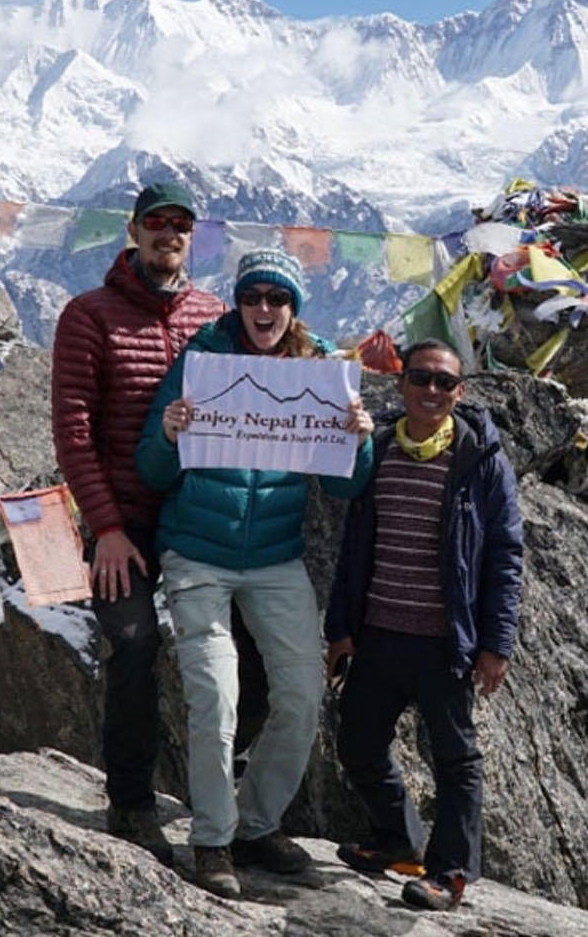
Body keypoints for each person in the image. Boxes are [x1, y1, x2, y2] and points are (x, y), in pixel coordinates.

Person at [137, 248, 375, 899]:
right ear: (237, 302)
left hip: (275, 556)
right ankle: (213, 838)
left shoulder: (319, 368)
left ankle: (257, 823)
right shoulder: (201, 360)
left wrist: (359, 437)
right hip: (196, 554)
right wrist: (167, 430)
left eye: (278, 298)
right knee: (217, 697)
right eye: (253, 297)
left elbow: (347, 483)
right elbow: (155, 471)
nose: (264, 309)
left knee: (303, 692)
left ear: (294, 307)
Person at [50, 181, 223, 865]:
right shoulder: (88, 315)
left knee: (242, 650)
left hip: (195, 519)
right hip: (121, 523)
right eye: (156, 223)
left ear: (192, 236)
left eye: (180, 225)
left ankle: (232, 808)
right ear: (133, 230)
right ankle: (131, 801)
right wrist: (107, 528)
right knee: (133, 643)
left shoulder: (214, 316)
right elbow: (73, 431)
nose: (168, 235)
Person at [325, 340, 525, 912]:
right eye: (421, 378)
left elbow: (506, 556)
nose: (431, 391)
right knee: (358, 743)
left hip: (444, 642)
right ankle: (399, 840)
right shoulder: (379, 446)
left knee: (455, 760)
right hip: (379, 632)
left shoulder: (480, 459)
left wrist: (496, 643)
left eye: (444, 383)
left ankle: (450, 873)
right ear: (401, 383)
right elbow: (352, 547)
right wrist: (341, 627)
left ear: (459, 393)